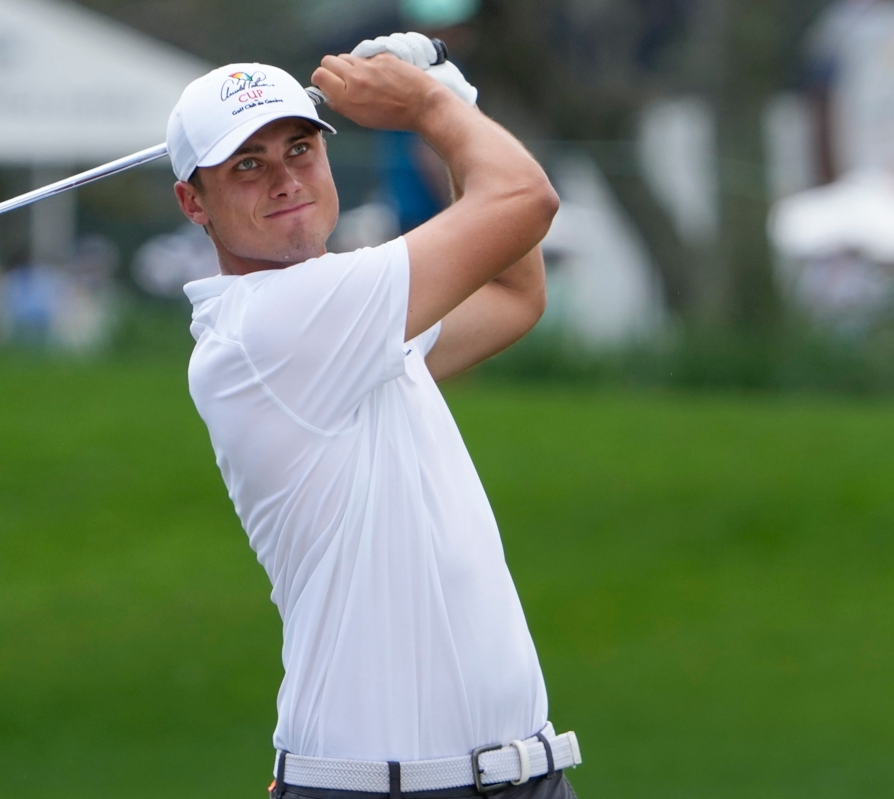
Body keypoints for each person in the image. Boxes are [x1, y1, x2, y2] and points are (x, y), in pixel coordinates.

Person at [168, 33, 580, 798]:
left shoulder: (347, 315)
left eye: (299, 148)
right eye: (247, 165)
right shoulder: (271, 326)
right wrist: (429, 104)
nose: (286, 178)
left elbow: (514, 293)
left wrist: (451, 101)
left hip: (524, 776)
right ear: (194, 201)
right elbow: (526, 201)